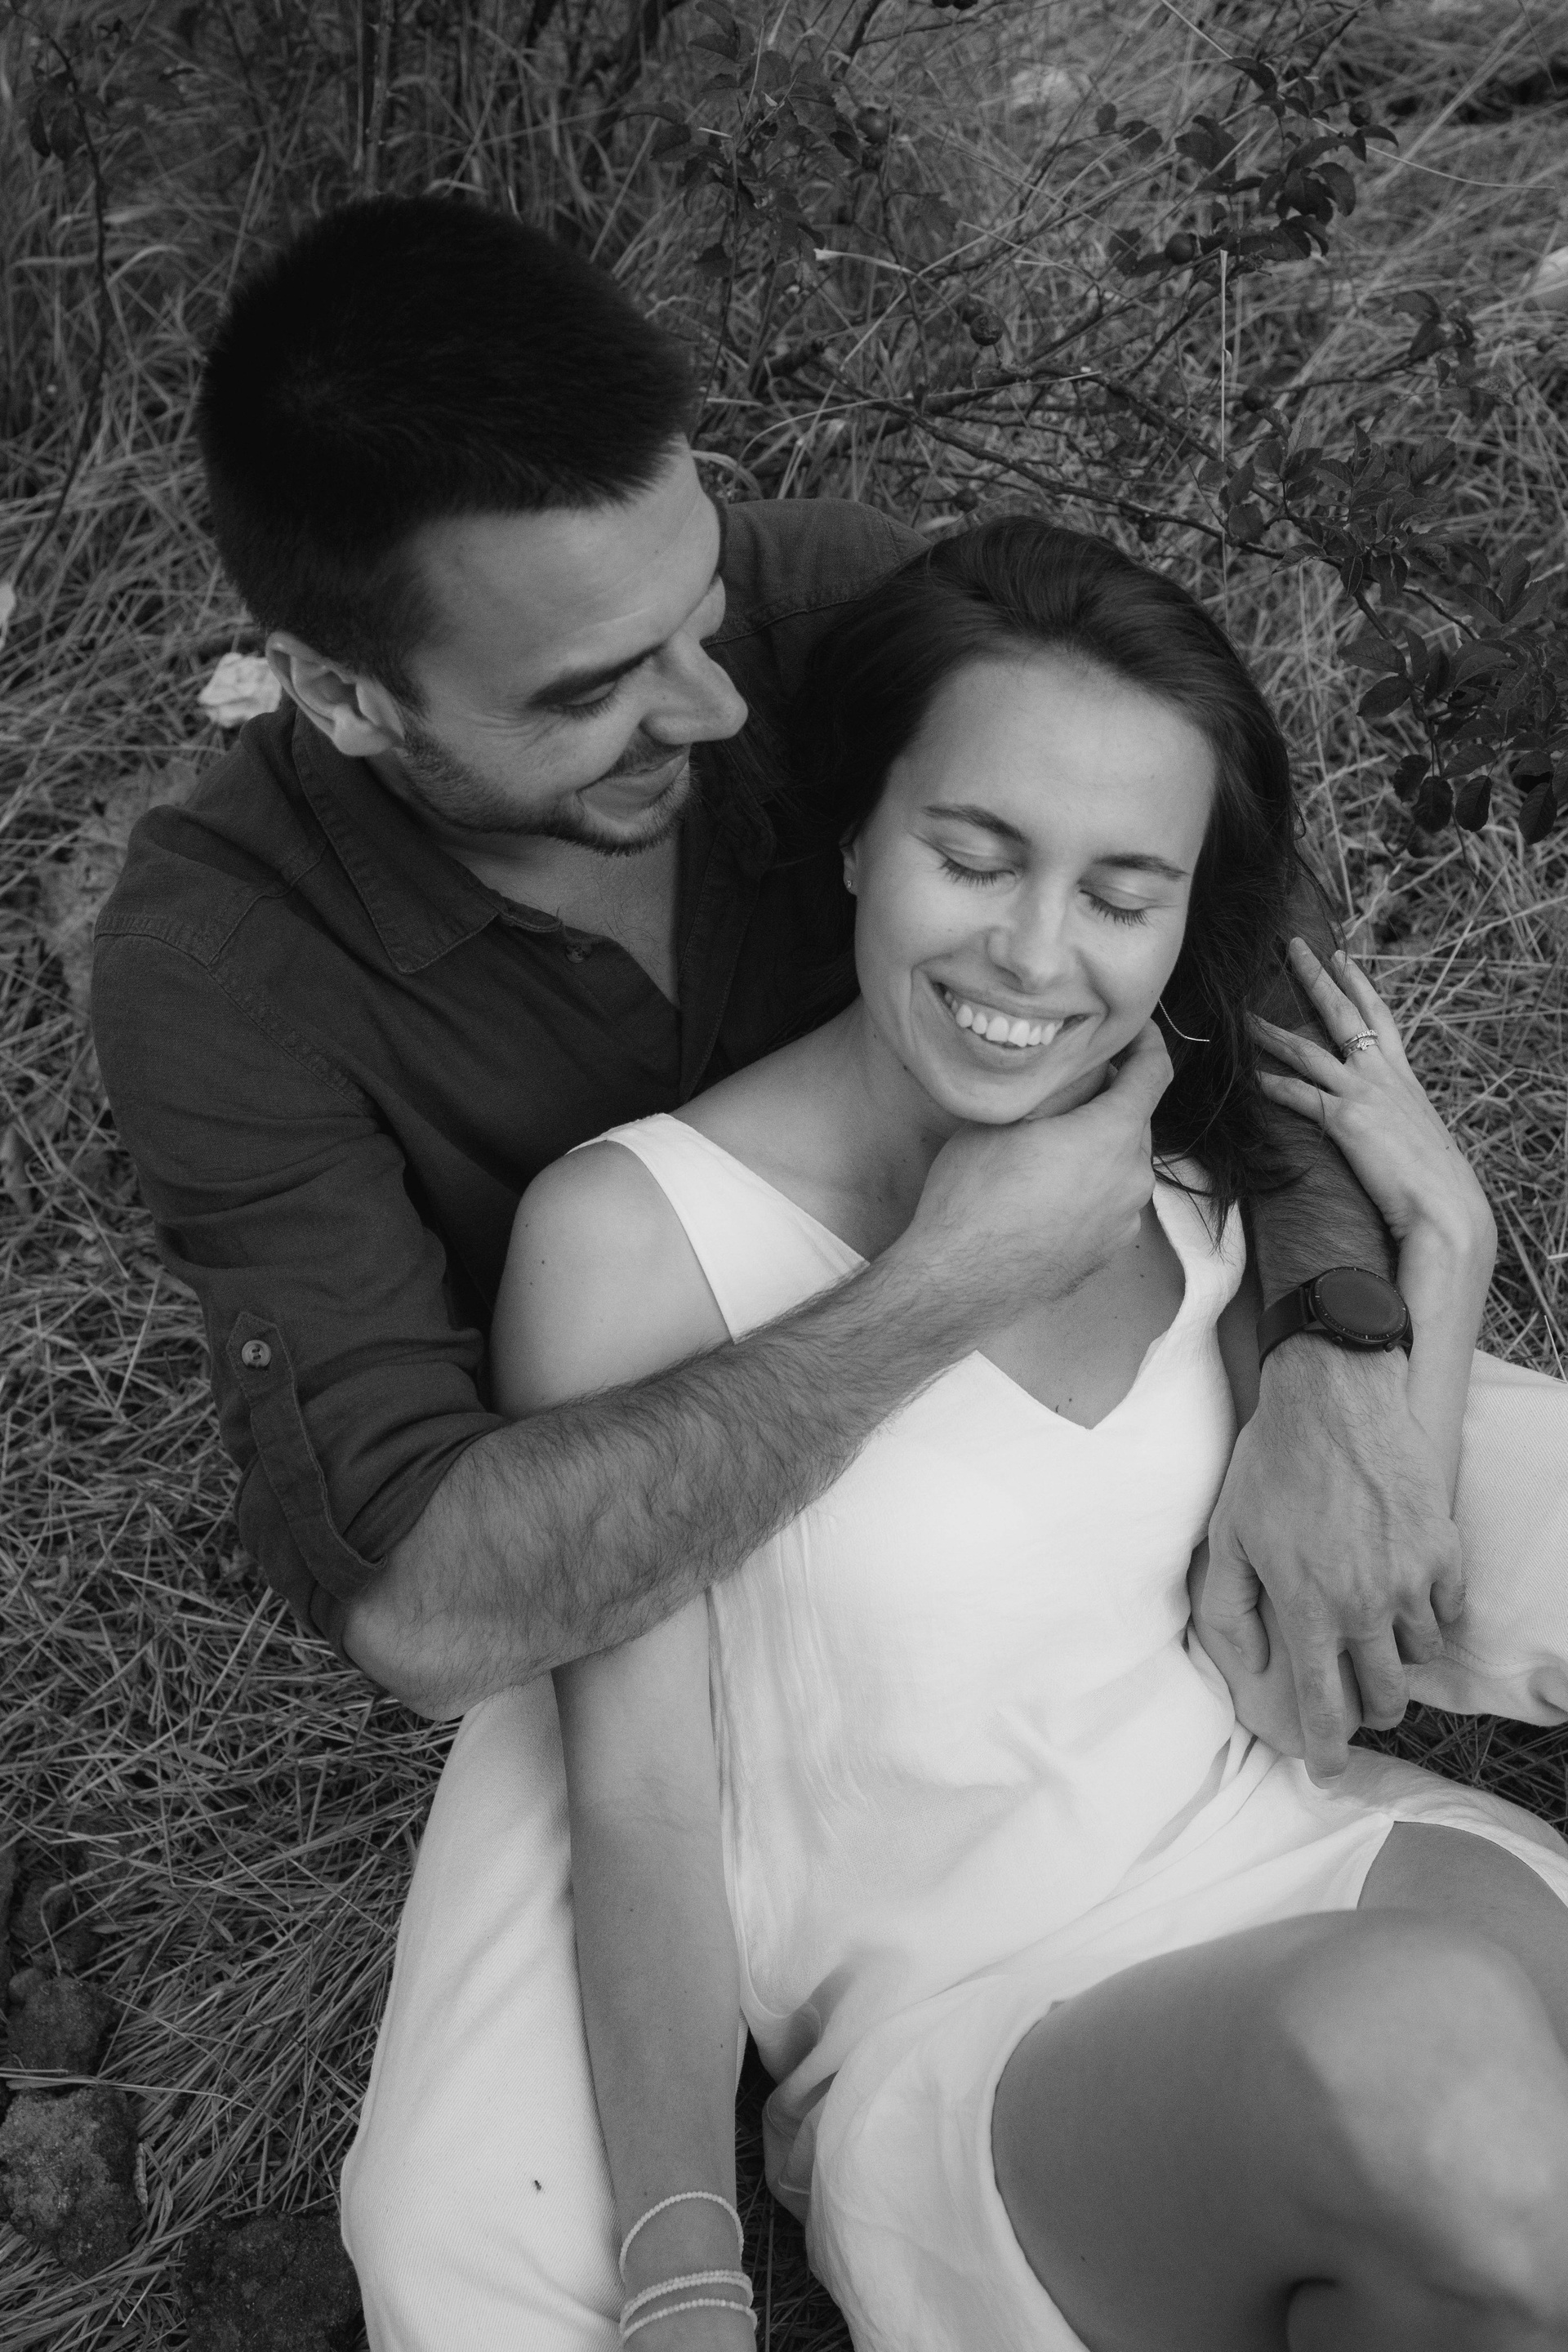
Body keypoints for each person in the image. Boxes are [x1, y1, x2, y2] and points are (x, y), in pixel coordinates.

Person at [86, 197, 1566, 2345]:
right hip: (635, 1519)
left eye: (696, 610)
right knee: (460, 2247)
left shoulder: (832, 615)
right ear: (341, 691)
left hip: (1130, 1416)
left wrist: (1352, 1344)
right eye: (592, 692)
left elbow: (1224, 940)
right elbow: (437, 1598)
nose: (711, 707)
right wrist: (945, 1282)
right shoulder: (225, 960)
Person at [500, 520, 1568, 2352]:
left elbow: (1316, 1681)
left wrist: (1447, 1249)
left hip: (1313, 1860)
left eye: (1121, 894)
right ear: (857, 834)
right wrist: (682, 2274)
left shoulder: (1189, 1185)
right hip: (980, 2029)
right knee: (1430, 2059)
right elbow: (643, 1801)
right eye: (974, 856)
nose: (1035, 952)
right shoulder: (638, 1242)